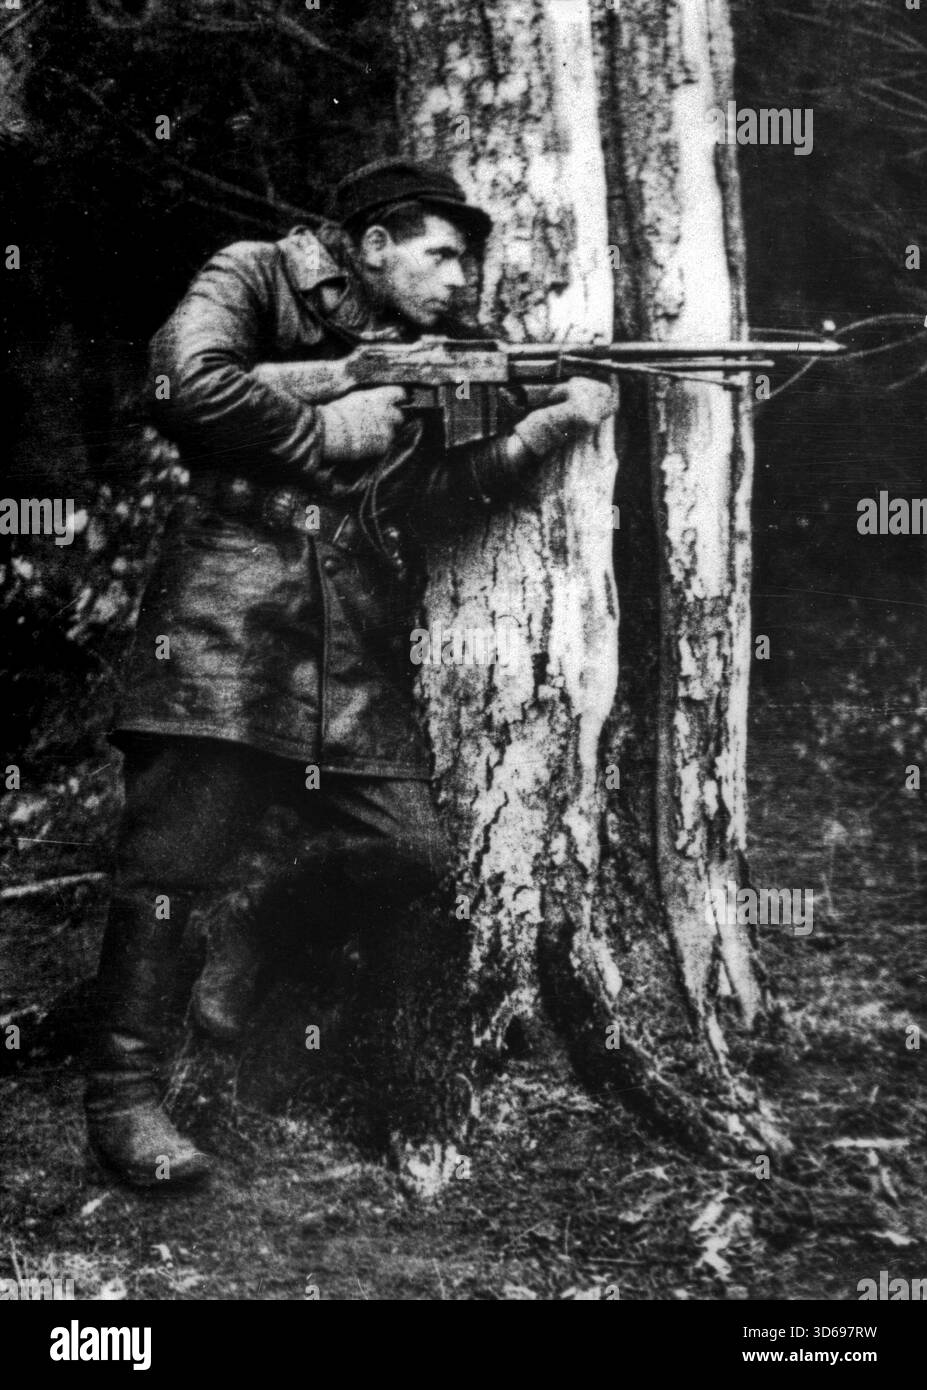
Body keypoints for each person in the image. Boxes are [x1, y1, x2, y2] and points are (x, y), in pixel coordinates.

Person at [86, 158, 620, 1187]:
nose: (466, 279)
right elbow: (176, 379)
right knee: (167, 872)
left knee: (418, 853)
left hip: (349, 646)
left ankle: (264, 920)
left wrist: (549, 422)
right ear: (373, 245)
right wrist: (334, 405)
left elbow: (428, 499)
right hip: (223, 619)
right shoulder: (255, 273)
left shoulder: (439, 354)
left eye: (470, 261)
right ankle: (124, 1101)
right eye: (444, 254)